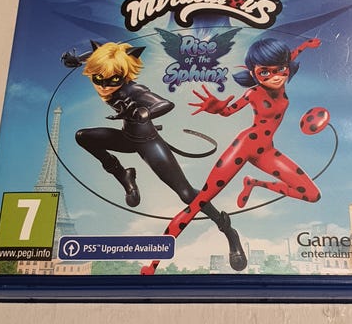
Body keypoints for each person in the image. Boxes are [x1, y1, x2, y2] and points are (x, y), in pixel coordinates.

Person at [141, 37, 322, 275]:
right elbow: (228, 111)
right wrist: (217, 108)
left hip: (267, 151)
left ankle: (254, 183)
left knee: (312, 194)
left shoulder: (282, 77)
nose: (276, 76)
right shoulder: (253, 93)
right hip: (244, 146)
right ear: (253, 73)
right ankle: (153, 263)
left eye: (280, 69)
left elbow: (290, 56)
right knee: (198, 202)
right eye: (265, 72)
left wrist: (306, 45)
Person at [61, 41, 247, 272]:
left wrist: (145, 112)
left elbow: (165, 104)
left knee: (186, 194)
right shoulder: (103, 69)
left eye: (113, 80)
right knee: (83, 137)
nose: (105, 86)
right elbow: (99, 57)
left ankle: (228, 231)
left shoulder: (133, 90)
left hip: (149, 143)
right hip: (127, 138)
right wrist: (78, 59)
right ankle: (125, 175)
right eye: (99, 79)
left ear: (123, 75)